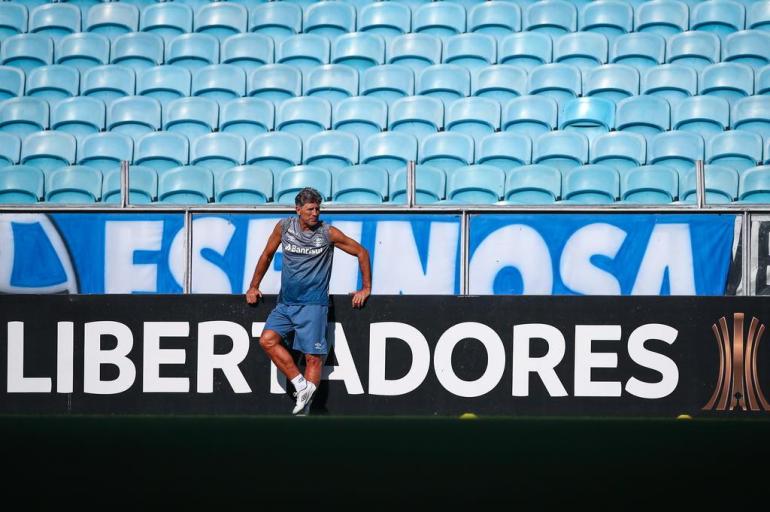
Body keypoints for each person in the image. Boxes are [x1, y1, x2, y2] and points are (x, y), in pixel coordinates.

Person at [245, 187, 372, 415]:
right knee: (267, 340)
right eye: (310, 209)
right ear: (298, 210)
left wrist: (366, 288)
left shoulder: (328, 233)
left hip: (313, 305)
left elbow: (361, 252)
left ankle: (306, 414)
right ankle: (300, 384)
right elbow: (266, 255)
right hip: (285, 304)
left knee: (313, 358)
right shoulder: (284, 227)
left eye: (318, 209)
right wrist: (254, 286)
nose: (315, 213)